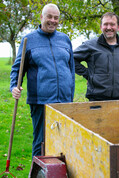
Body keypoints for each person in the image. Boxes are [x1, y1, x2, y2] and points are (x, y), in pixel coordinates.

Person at [10, 3, 75, 157]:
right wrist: (14, 86)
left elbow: (71, 69)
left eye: (56, 18)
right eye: (49, 17)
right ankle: (37, 173)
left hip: (64, 101)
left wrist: (70, 95)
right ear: (41, 17)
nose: (53, 20)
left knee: (64, 141)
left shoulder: (65, 39)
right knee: (41, 141)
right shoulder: (29, 40)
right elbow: (17, 68)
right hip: (41, 101)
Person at [73, 12, 119, 101]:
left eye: (112, 24)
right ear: (101, 27)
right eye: (105, 24)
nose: (109, 28)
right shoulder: (90, 45)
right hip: (97, 100)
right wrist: (88, 74)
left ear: (118, 27)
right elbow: (72, 59)